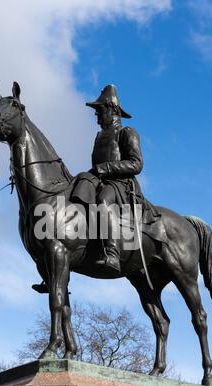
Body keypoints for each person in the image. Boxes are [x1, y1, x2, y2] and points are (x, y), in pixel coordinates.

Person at [86, 84, 143, 273]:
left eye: (99, 110)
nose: (96, 115)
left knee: (103, 200)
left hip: (121, 185)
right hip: (101, 182)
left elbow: (136, 164)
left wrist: (104, 168)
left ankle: (112, 254)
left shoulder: (127, 133)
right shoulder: (98, 136)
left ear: (111, 108)